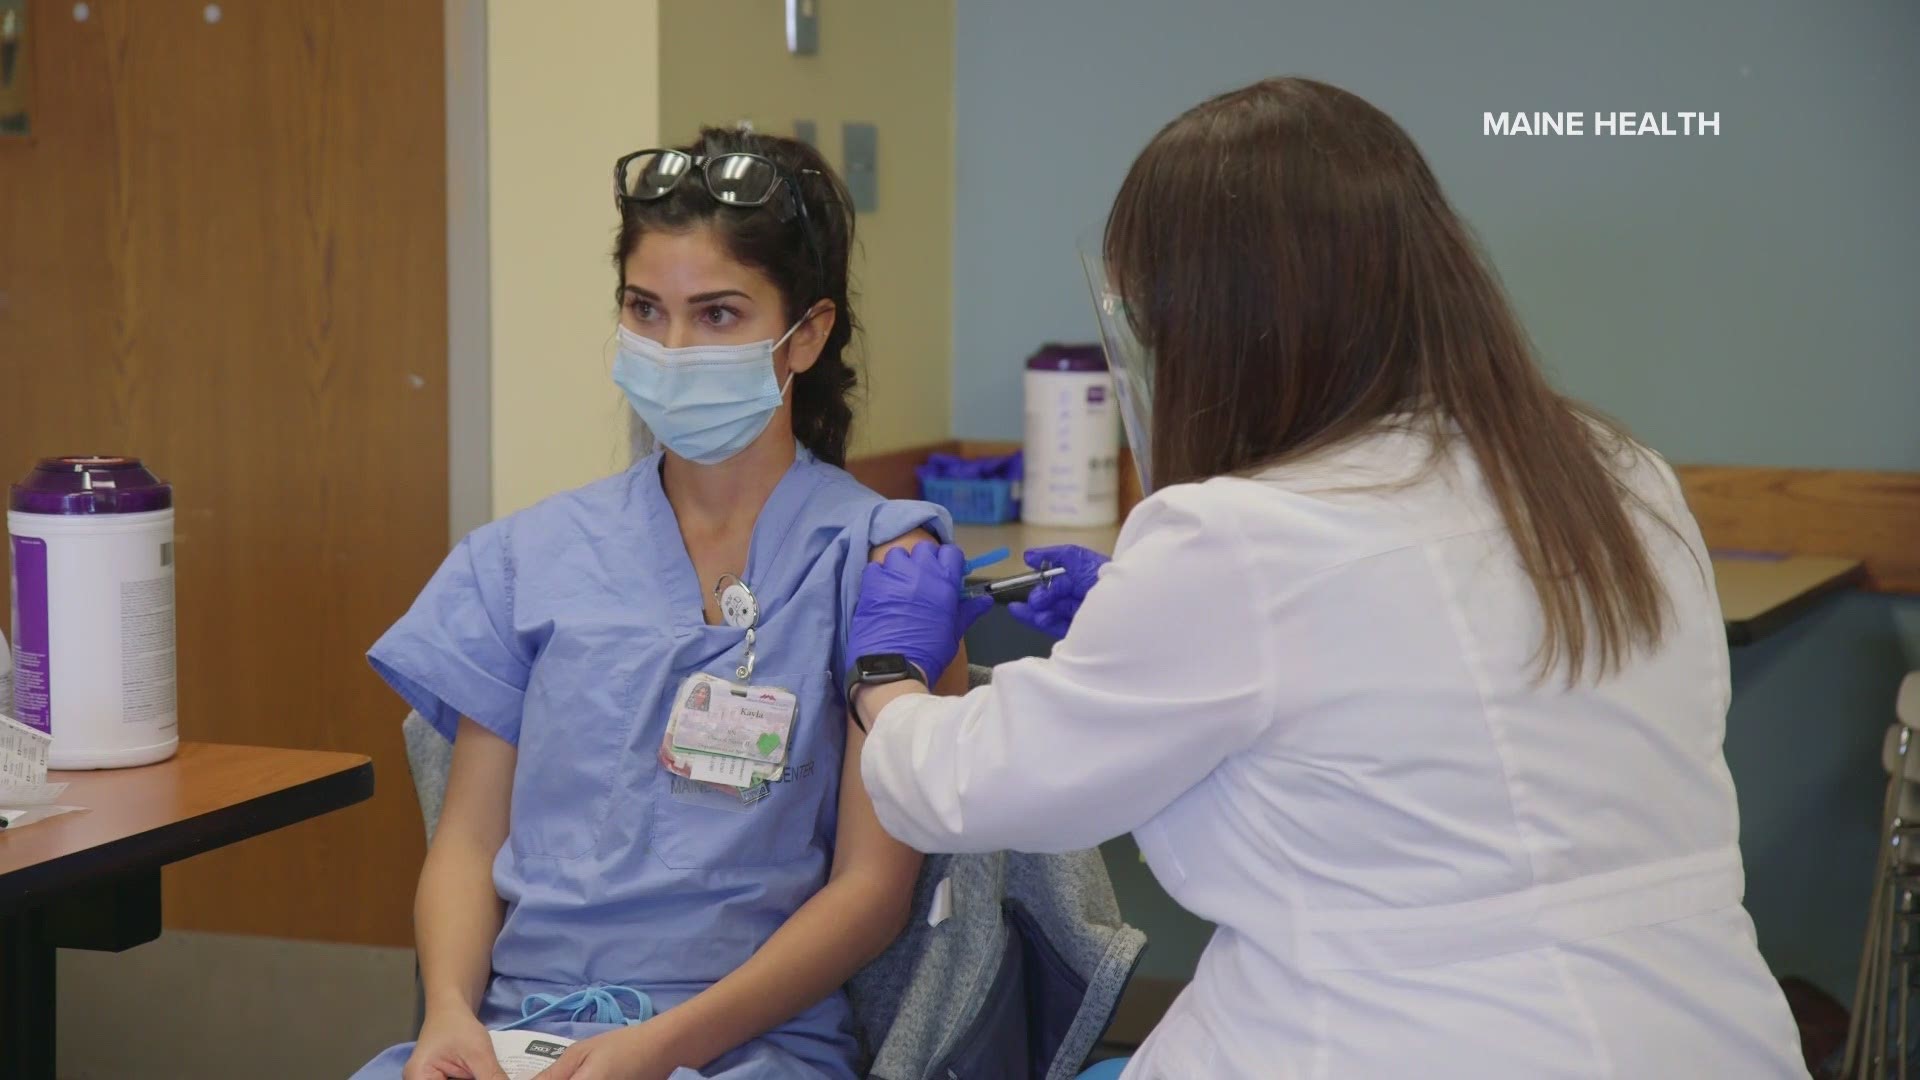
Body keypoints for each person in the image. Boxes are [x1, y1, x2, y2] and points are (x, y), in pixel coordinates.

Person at [840, 79, 1809, 1078]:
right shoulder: (1614, 474)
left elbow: (972, 788)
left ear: (1215, 323)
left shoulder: (1238, 539)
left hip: (1407, 1040)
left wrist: (887, 669)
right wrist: (1143, 620)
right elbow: (1432, 680)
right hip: (1704, 1028)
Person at [353, 128, 969, 1080]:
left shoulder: (882, 563)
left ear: (805, 335)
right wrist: (446, 1018)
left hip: (750, 1046)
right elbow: (469, 840)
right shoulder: (531, 558)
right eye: (647, 310)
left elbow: (871, 893)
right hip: (515, 1036)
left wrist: (661, 1048)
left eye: (717, 315)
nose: (674, 348)